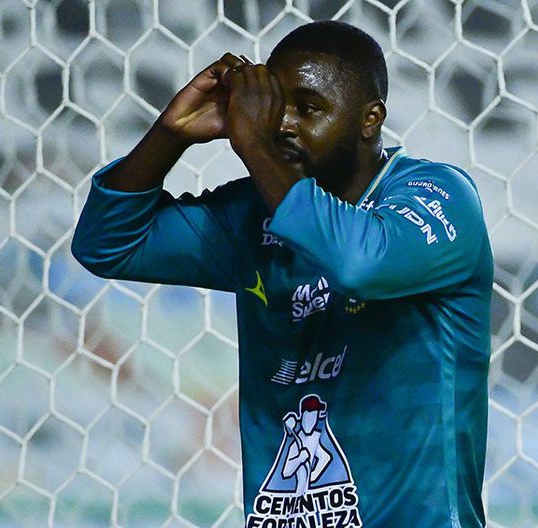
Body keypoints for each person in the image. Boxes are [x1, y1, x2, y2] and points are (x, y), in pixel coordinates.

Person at [72, 20, 493, 527]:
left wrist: (257, 149)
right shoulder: (251, 216)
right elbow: (106, 244)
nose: (284, 125)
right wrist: (170, 135)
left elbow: (360, 265)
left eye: (309, 109)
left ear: (370, 120)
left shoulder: (438, 195)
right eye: (276, 107)